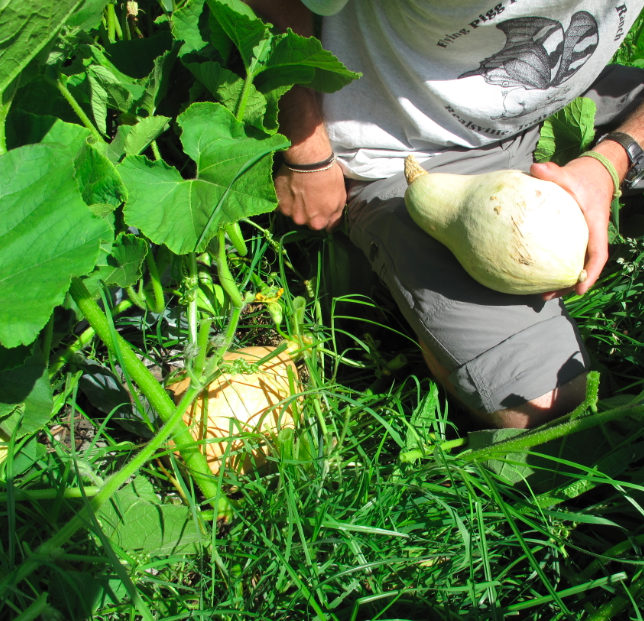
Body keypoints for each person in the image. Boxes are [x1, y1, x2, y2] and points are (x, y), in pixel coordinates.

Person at [246, 0, 644, 428]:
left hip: (568, 95)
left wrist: (613, 160)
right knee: (548, 409)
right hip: (411, 150)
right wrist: (306, 153)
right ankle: (397, 284)